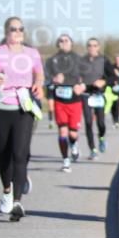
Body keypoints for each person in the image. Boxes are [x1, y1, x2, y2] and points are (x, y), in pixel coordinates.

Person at [0, 17, 45, 221]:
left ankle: (17, 202)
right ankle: (7, 191)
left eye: (20, 29)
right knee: (4, 155)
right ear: (6, 32)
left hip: (23, 108)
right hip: (1, 108)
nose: (17, 32)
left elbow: (40, 74)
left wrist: (38, 84)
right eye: (13, 29)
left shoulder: (32, 53)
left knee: (20, 154)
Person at [45, 34, 86, 172]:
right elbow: (45, 78)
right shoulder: (52, 60)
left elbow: (88, 77)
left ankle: (74, 145)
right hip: (59, 100)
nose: (63, 43)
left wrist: (82, 86)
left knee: (73, 134)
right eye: (60, 41)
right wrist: (53, 79)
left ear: (71, 43)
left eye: (66, 40)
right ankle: (65, 160)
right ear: (58, 44)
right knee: (62, 131)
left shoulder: (79, 59)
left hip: (75, 101)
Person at [79, 38, 113, 159]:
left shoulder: (104, 61)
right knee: (88, 123)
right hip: (86, 95)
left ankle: (101, 138)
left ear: (98, 47)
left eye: (94, 45)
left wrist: (104, 82)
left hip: (99, 95)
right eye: (90, 46)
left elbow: (113, 78)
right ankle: (92, 149)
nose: (92, 48)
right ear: (87, 47)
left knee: (101, 123)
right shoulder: (82, 61)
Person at [108, 54, 119, 128]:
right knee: (112, 105)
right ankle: (114, 119)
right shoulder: (112, 67)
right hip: (112, 88)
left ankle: (117, 120)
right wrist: (113, 81)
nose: (118, 61)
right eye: (116, 59)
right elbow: (108, 76)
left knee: (118, 104)